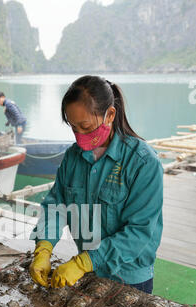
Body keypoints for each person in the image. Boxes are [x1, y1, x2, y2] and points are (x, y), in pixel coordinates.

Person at [29, 75, 163, 295]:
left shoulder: (143, 162)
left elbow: (139, 231)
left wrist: (84, 262)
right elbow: (56, 205)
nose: (80, 136)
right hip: (88, 272)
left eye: (86, 126)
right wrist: (44, 247)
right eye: (73, 128)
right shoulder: (73, 157)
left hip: (128, 277)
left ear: (110, 114)